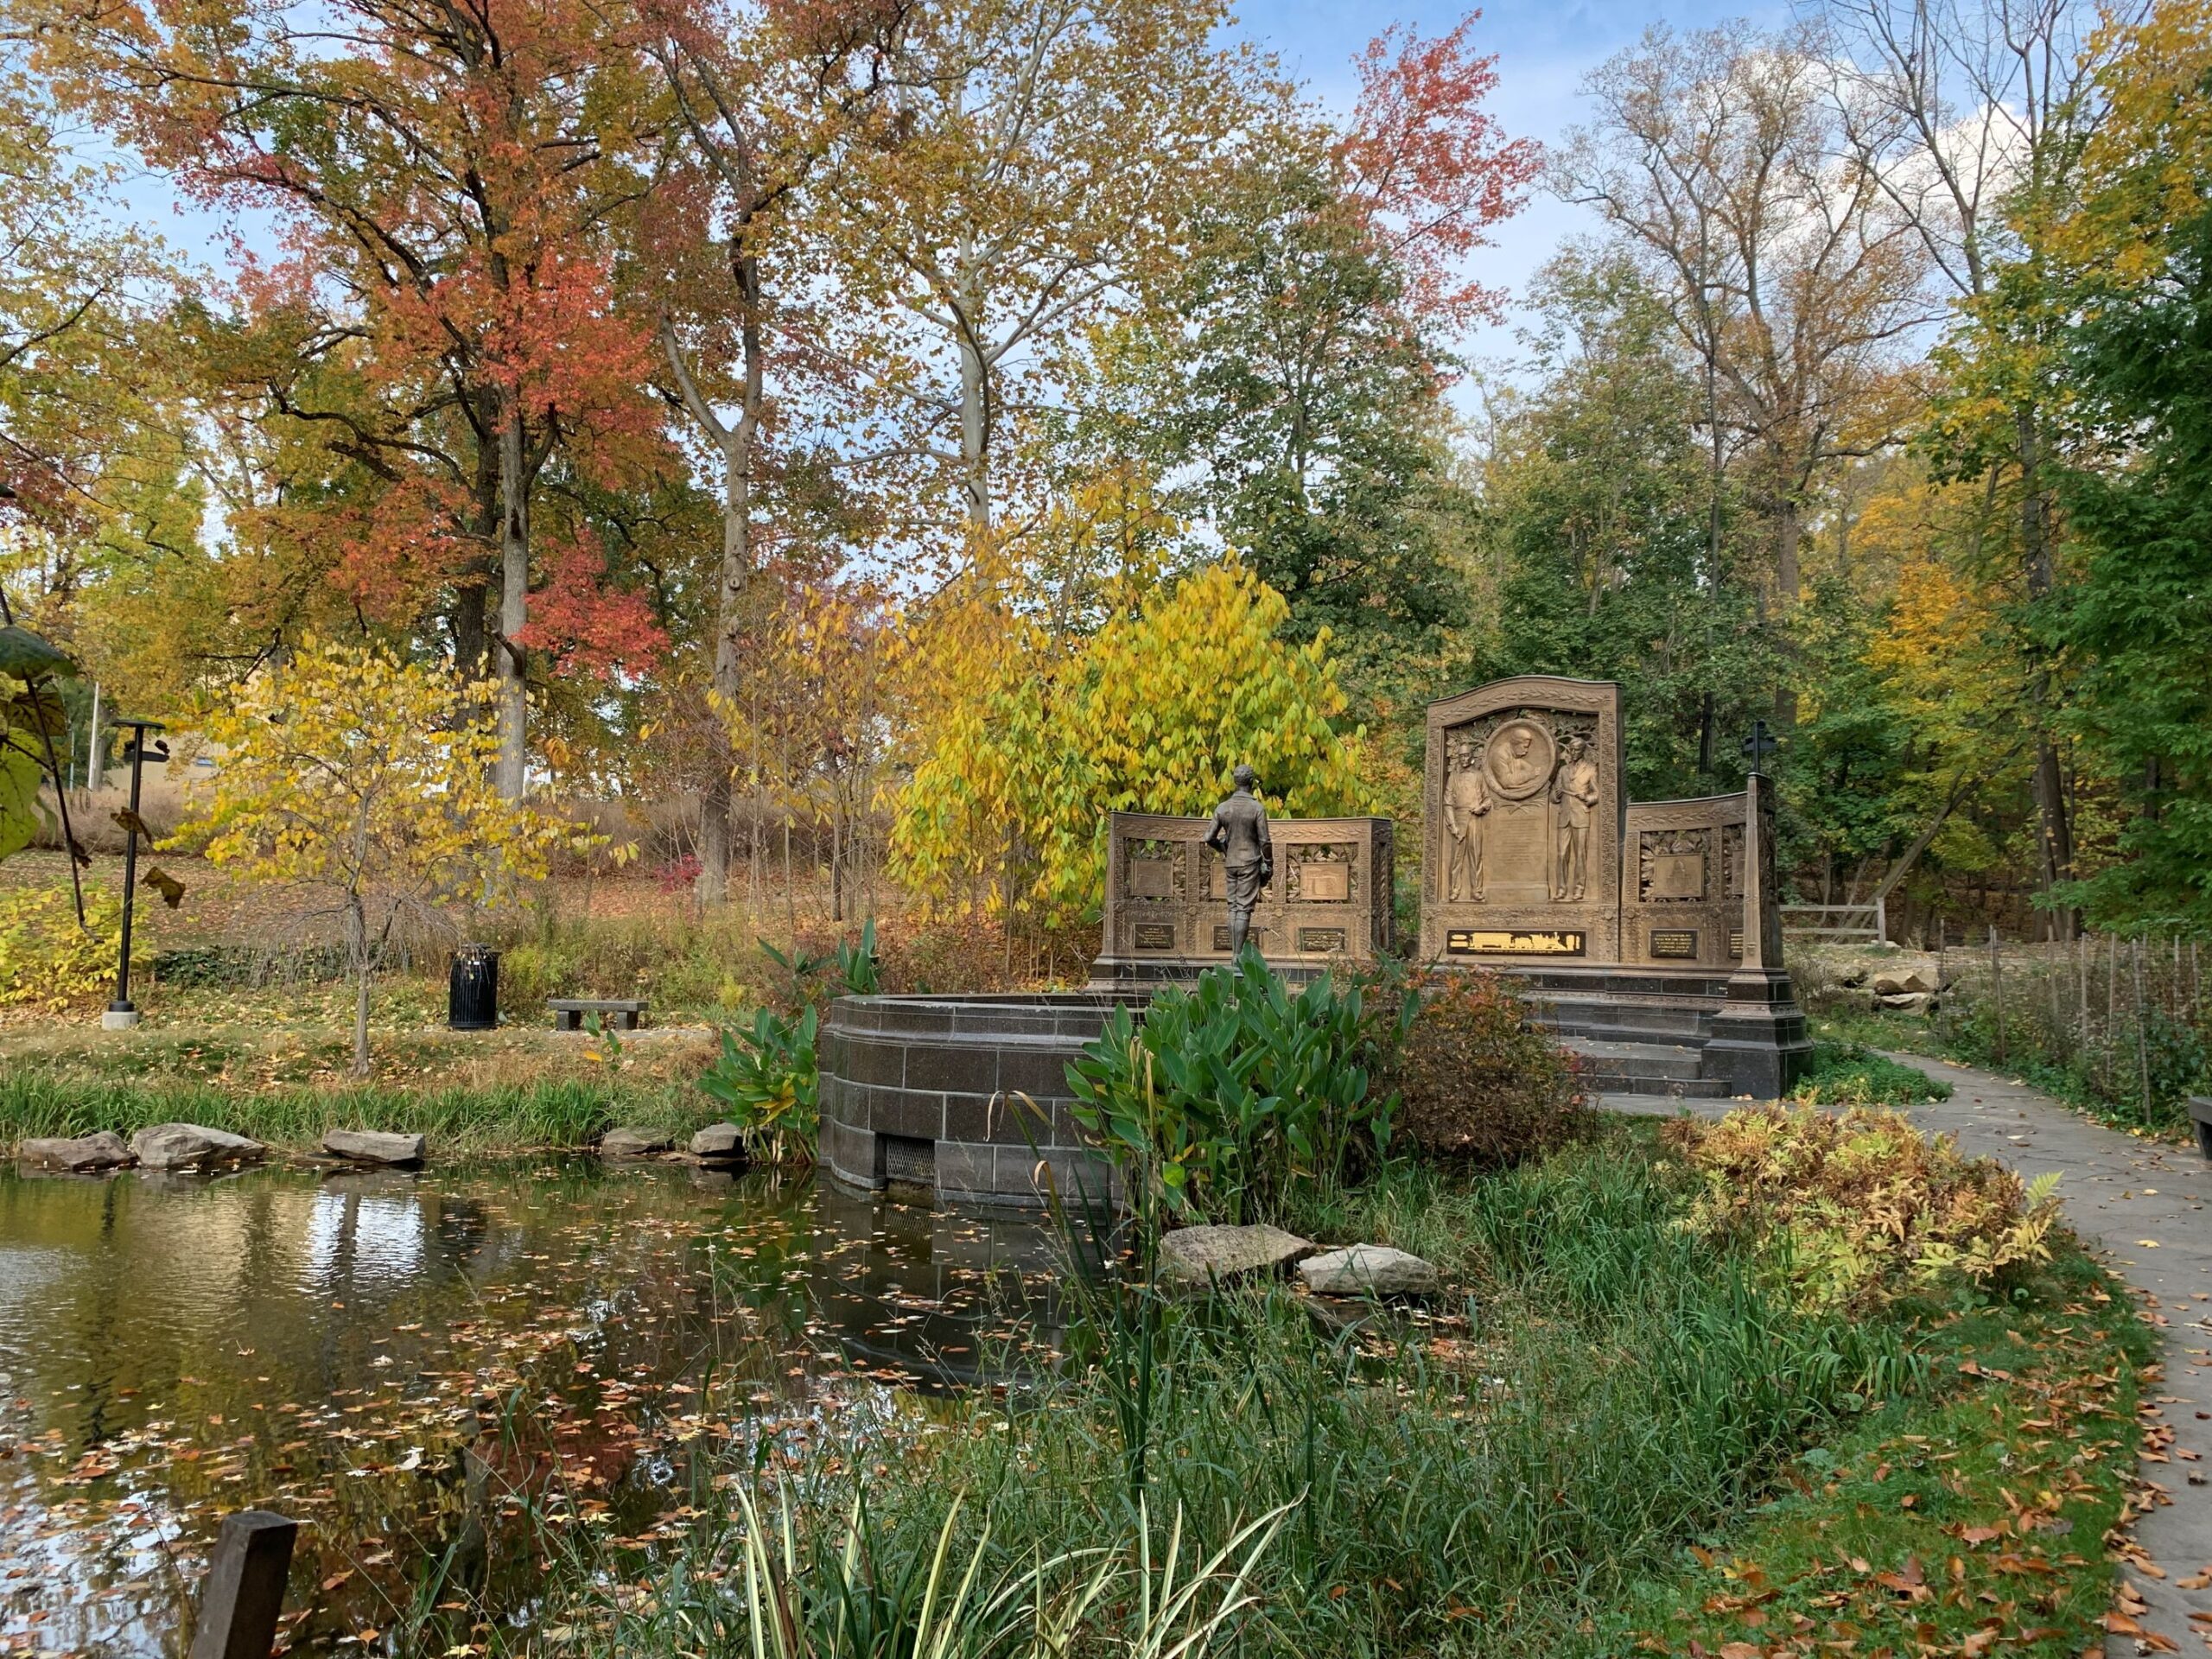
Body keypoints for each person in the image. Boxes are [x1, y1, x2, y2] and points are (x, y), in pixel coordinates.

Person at [1206, 765, 1273, 956]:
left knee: (1233, 907)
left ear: (1235, 782)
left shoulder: (1223, 807)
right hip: (1250, 861)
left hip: (1231, 862)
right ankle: (1237, 956)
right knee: (1243, 909)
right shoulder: (1257, 808)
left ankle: (1235, 955)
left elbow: (1208, 837)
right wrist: (1268, 862)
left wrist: (1223, 848)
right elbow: (1265, 841)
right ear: (1251, 783)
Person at [1552, 734, 1599, 901]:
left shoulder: (1591, 769)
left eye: (1576, 749)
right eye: (1571, 749)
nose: (1572, 752)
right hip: (1564, 816)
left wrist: (1587, 798)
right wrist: (1556, 795)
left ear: (1582, 751)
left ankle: (1579, 889)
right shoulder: (1563, 770)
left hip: (1581, 816)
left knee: (1580, 855)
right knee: (1561, 854)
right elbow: (1553, 796)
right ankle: (1561, 889)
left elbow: (1597, 794)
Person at [1444, 757, 1491, 902]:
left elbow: (1487, 799)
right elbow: (1447, 802)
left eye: (1466, 755)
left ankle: (1476, 891)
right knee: (1456, 858)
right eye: (1461, 756)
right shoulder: (1453, 777)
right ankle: (1454, 890)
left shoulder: (1478, 776)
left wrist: (1481, 807)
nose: (1463, 759)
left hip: (1475, 819)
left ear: (1471, 757)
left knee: (1476, 855)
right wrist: (1453, 826)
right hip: (1459, 819)